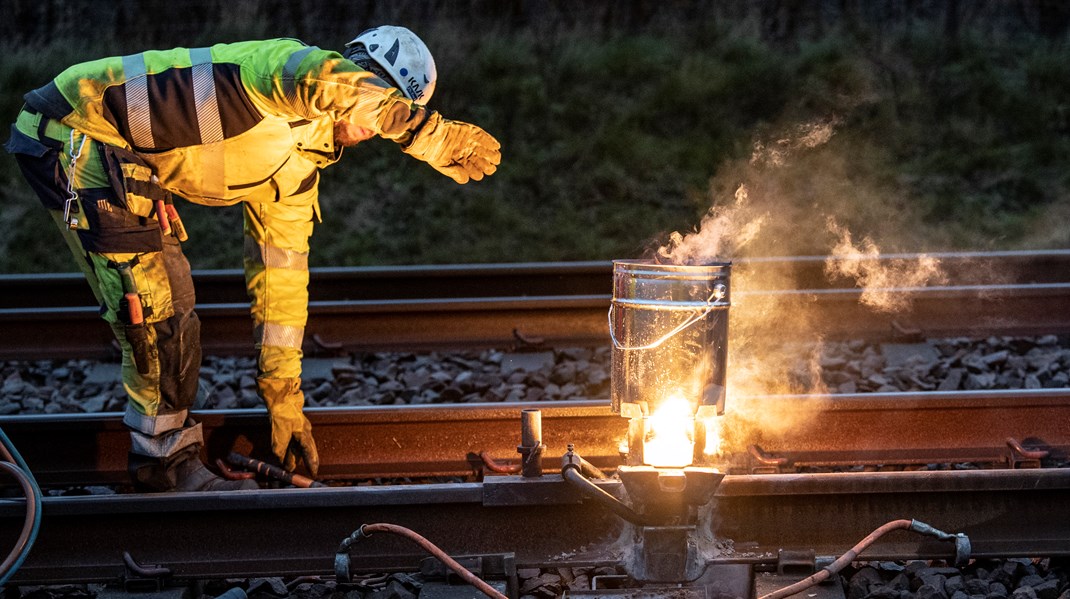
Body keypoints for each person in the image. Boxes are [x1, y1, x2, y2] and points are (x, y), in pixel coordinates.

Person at [4, 26, 501, 492]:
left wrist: (284, 398)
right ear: (357, 74)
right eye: (381, 96)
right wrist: (425, 131)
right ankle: (164, 467)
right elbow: (328, 82)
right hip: (78, 130)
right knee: (157, 316)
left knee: (173, 311)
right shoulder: (281, 71)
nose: (371, 123)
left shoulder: (299, 171)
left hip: (126, 159)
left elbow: (280, 282)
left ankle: (166, 456)